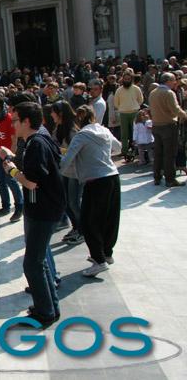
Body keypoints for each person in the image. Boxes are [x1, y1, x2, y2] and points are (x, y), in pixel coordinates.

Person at [0, 102, 65, 328]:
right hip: (44, 208)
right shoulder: (37, 140)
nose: (13, 124)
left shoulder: (36, 143)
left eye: (15, 120)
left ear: (27, 121)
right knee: (38, 262)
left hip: (43, 209)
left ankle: (45, 313)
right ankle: (49, 308)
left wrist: (11, 170)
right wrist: (14, 157)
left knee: (32, 264)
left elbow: (31, 182)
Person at [60, 106, 121, 277]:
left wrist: (59, 172)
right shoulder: (104, 130)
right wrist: (101, 156)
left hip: (95, 182)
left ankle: (98, 260)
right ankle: (107, 254)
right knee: (110, 218)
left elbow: (68, 159)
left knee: (88, 221)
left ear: (78, 120)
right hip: (113, 177)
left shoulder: (81, 136)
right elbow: (118, 148)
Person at [0, 94, 23, 222]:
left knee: (11, 180)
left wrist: (10, 157)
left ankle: (19, 207)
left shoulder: (9, 118)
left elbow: (14, 140)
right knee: (0, 180)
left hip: (9, 155)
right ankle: (6, 206)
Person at [51, 101, 83, 246]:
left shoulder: (73, 131)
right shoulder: (58, 128)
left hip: (75, 173)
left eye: (53, 112)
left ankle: (82, 231)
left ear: (61, 114)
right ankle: (76, 227)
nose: (51, 114)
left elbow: (75, 153)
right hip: (63, 171)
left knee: (74, 203)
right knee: (66, 203)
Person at [149, 73, 187, 186]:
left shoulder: (153, 92)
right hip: (168, 126)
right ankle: (170, 179)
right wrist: (185, 115)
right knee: (169, 154)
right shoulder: (169, 93)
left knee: (158, 153)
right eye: (174, 80)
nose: (175, 82)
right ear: (168, 81)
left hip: (156, 126)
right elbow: (175, 109)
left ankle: (157, 177)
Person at [114, 70, 144, 155]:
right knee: (124, 134)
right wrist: (122, 108)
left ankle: (137, 150)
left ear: (131, 79)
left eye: (128, 79)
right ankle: (124, 151)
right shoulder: (119, 90)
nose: (127, 80)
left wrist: (134, 106)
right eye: (125, 79)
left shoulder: (136, 89)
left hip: (135, 112)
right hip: (123, 113)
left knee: (136, 132)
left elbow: (141, 100)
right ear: (123, 79)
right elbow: (116, 103)